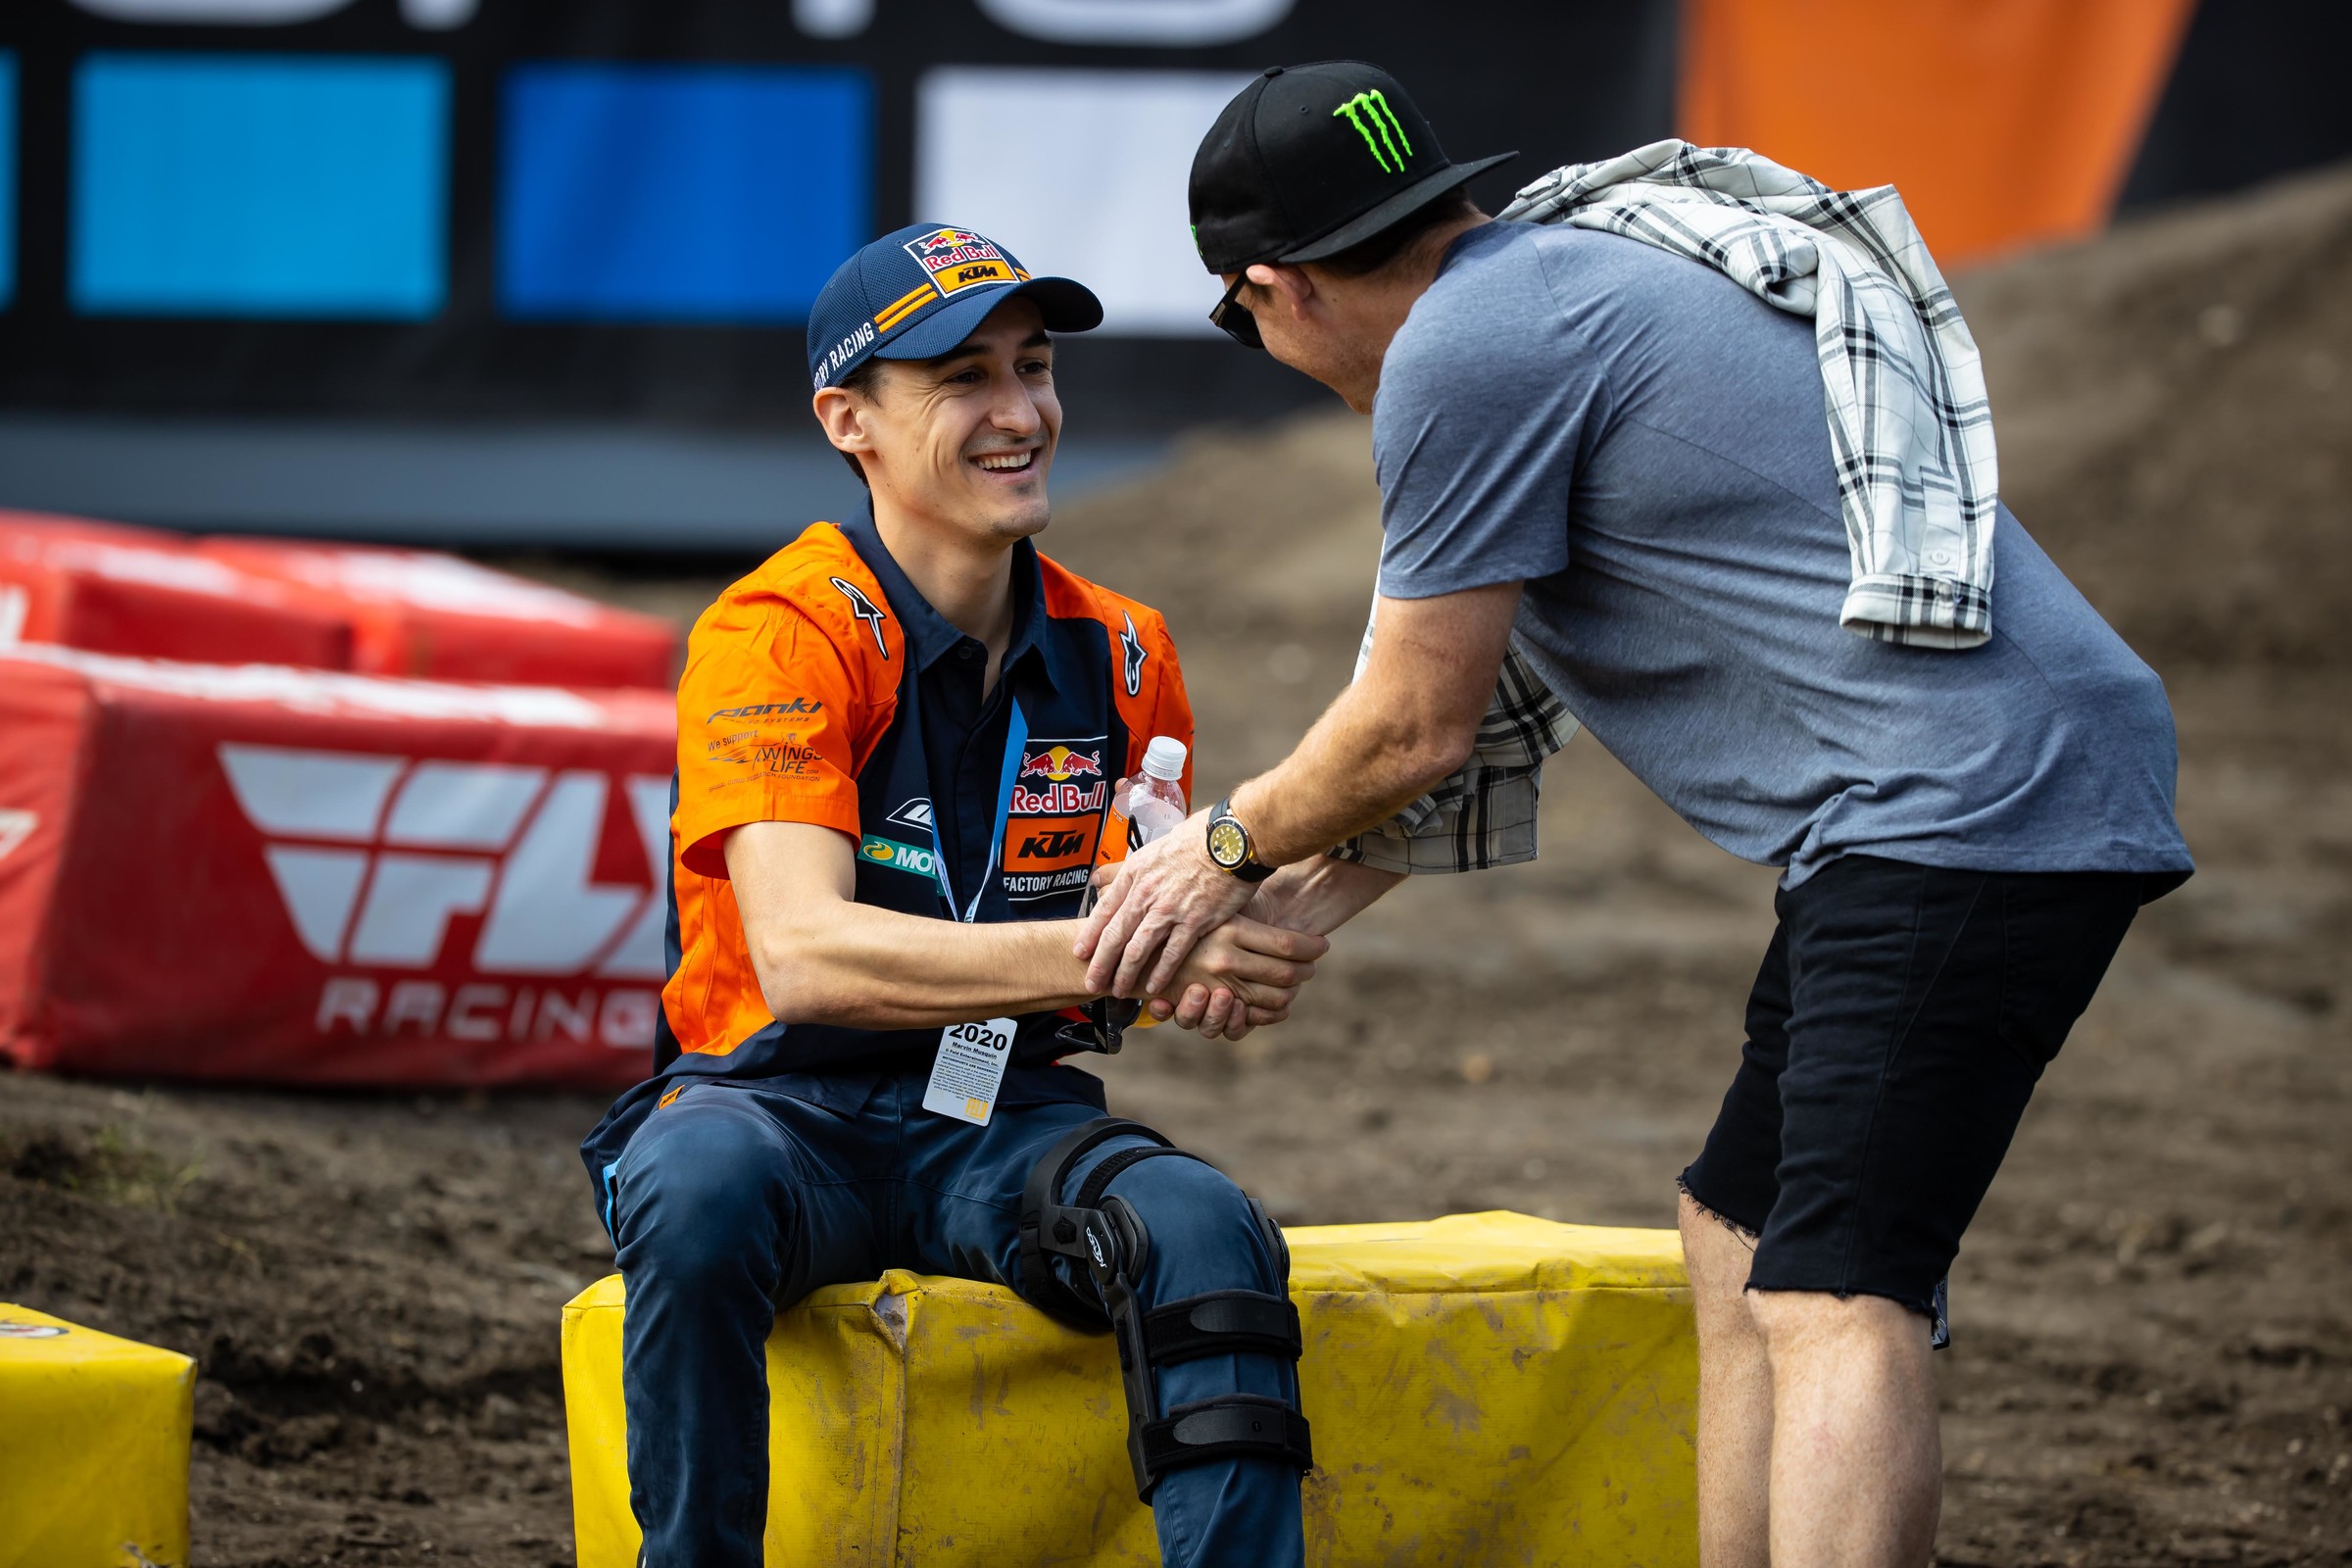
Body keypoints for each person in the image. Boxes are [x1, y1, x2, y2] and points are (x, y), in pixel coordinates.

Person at [1081, 62, 2195, 1568]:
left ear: (1271, 288)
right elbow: (1471, 719)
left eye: (1245, 321)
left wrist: (1211, 857)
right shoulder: (1543, 286)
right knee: (1733, 1242)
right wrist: (1288, 906)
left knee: (1837, 1291)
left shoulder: (1467, 347)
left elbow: (1415, 720)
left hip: (1972, 809)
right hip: (1931, 807)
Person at [580, 224, 1323, 1568]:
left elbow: (1105, 965)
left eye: (1034, 367)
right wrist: (1115, 951)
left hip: (990, 1118)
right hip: (771, 1112)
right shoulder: (778, 630)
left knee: (1206, 1226)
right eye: (963, 377)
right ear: (846, 419)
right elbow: (804, 957)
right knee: (691, 1183)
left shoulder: (1127, 650)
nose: (1021, 410)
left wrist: (1192, 967)